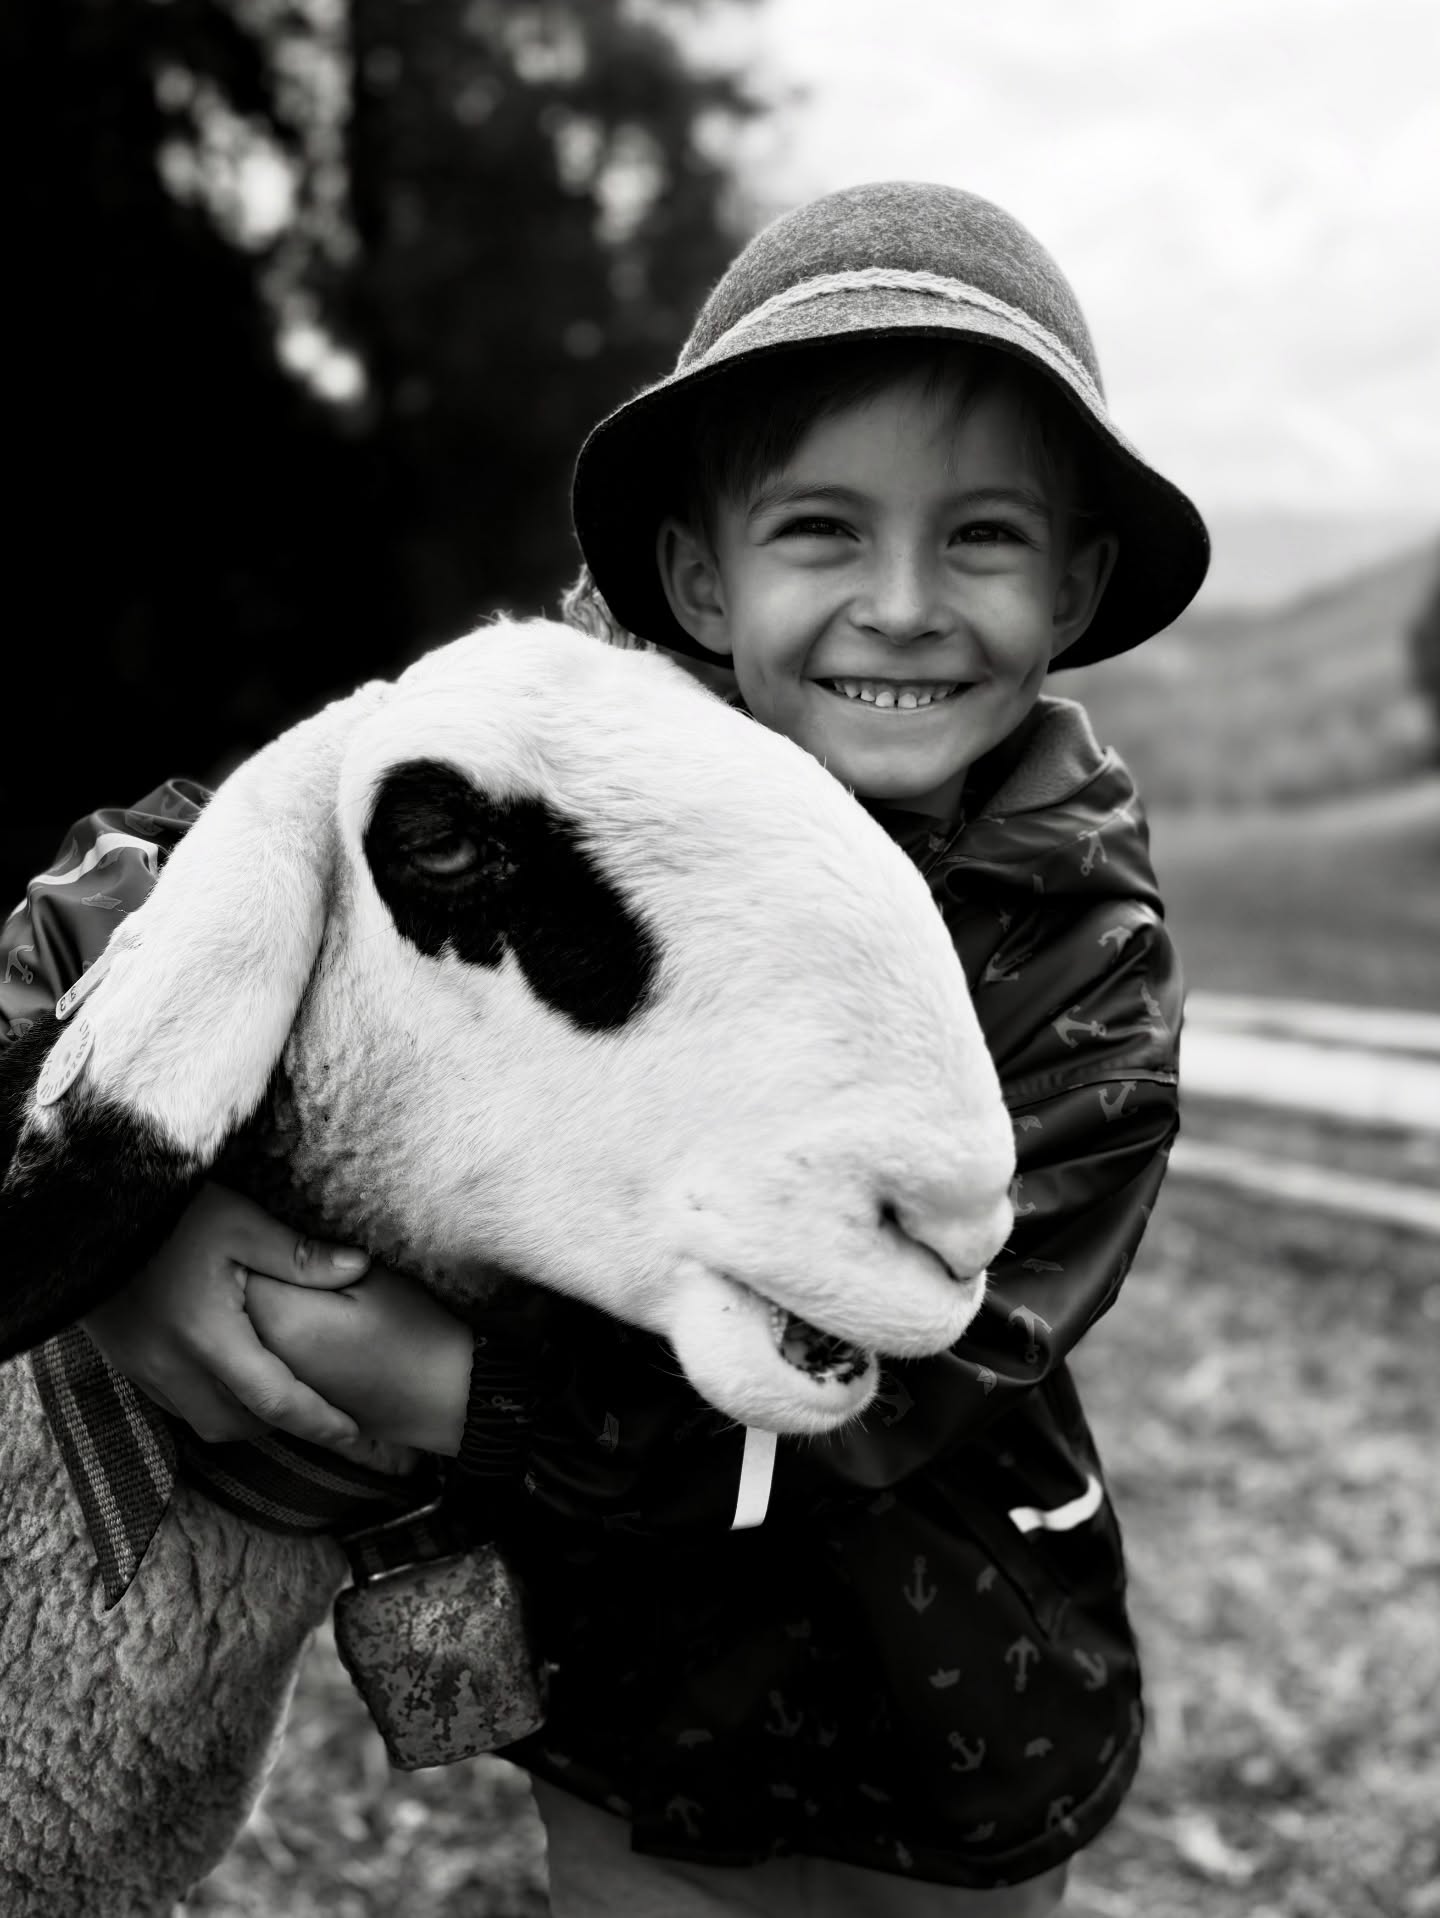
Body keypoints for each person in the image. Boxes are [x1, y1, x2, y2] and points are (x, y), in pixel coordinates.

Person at [0, 182, 1209, 1914]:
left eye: (984, 539)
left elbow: (921, 1376)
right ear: (700, 573)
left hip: (960, 1736)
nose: (901, 606)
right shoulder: (566, 783)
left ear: (1079, 578)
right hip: (630, 1727)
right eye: (820, 530)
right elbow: (186, 871)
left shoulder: (1077, 944)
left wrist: (464, 1401)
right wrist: (127, 1220)